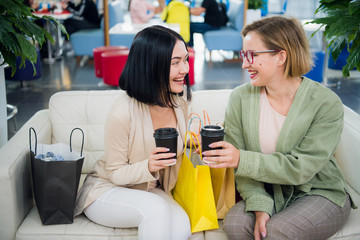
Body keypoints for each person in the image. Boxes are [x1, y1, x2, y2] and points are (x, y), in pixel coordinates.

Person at [201, 16, 354, 240]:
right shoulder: (240, 98)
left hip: (318, 191)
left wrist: (241, 159)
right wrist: (260, 205)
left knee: (275, 231)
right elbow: (239, 168)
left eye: (252, 55)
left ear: (281, 56)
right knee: (235, 224)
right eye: (243, 55)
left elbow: (302, 168)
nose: (244, 64)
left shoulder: (325, 102)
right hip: (268, 190)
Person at [74, 25, 192, 240]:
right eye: (175, 63)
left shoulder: (179, 103)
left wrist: (196, 142)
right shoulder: (123, 111)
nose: (184, 69)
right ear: (151, 65)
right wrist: (149, 165)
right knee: (154, 211)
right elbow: (116, 173)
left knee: (182, 228)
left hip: (149, 190)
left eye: (185, 60)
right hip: (106, 190)